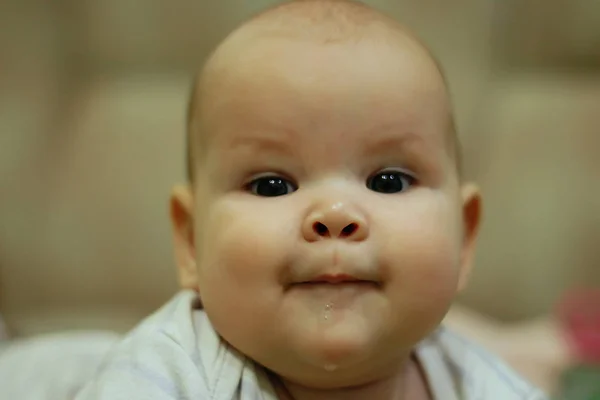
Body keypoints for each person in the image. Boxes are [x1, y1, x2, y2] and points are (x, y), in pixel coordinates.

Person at [75, 0, 548, 398]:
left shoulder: (482, 384)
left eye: (388, 181)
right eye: (271, 185)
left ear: (464, 237)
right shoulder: (163, 373)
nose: (336, 216)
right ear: (190, 240)